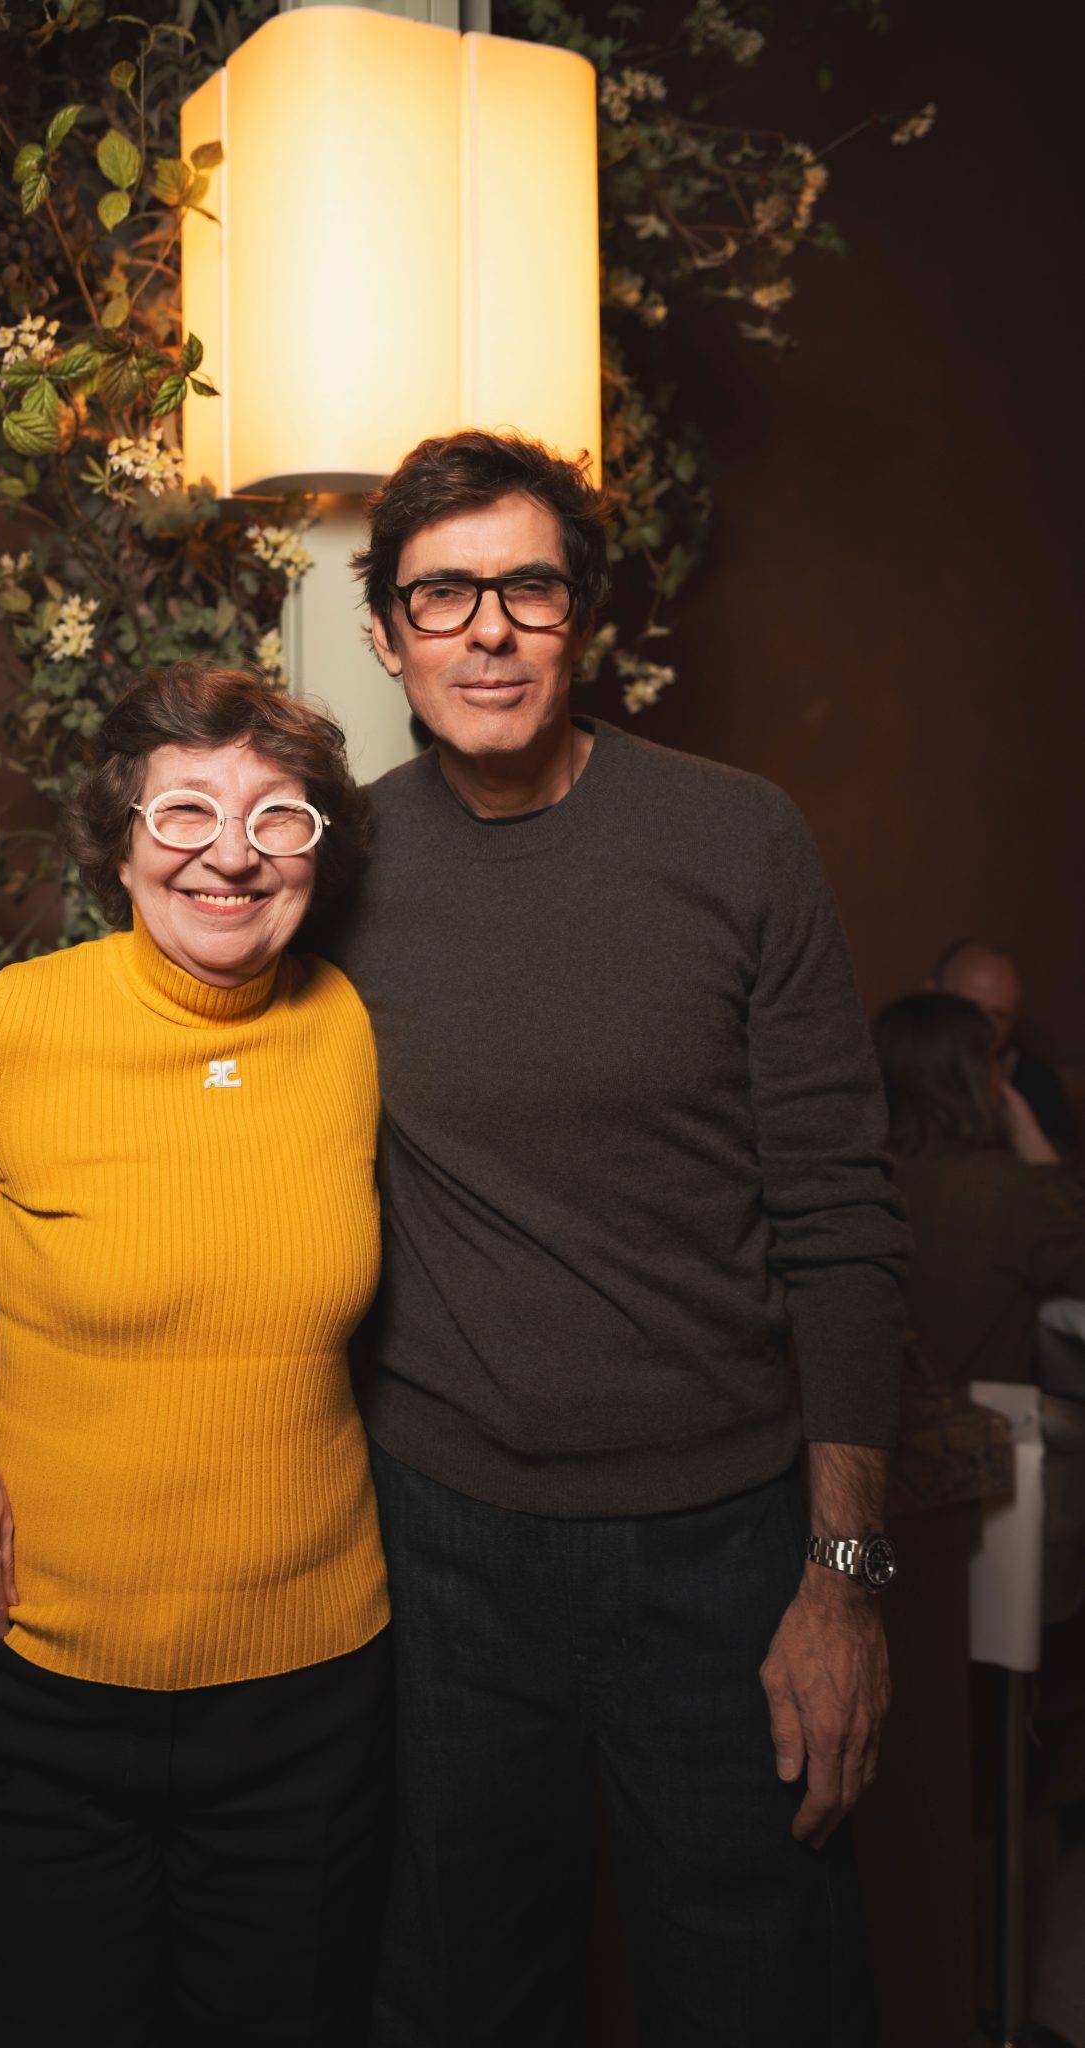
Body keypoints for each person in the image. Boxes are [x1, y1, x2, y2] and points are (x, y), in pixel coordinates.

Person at [319, 428, 911, 2047]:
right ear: (384, 634)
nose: (486, 630)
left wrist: (839, 1577)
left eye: (525, 586)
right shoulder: (332, 868)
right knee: (453, 1996)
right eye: (441, 595)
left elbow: (840, 1220)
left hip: (721, 1550)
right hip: (440, 1552)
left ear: (580, 616)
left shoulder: (736, 839)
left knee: (762, 1987)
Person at [0, 665, 392, 2048]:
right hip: (38, 1701)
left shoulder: (346, 1030)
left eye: (277, 819)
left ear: (318, 853)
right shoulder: (15, 1030)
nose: (229, 854)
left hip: (309, 1710)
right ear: (118, 841)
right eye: (182, 810)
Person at [873, 989, 1085, 1385]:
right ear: (973, 1079)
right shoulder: (1008, 1190)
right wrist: (1040, 1154)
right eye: (992, 1063)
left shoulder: (865, 1179)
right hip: (976, 1432)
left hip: (877, 1425)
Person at [928, 937, 1077, 1156]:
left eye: (998, 1015)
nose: (983, 1027)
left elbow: (1060, 1174)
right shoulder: (890, 1071)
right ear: (929, 994)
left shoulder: (1033, 1081)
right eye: (968, 1009)